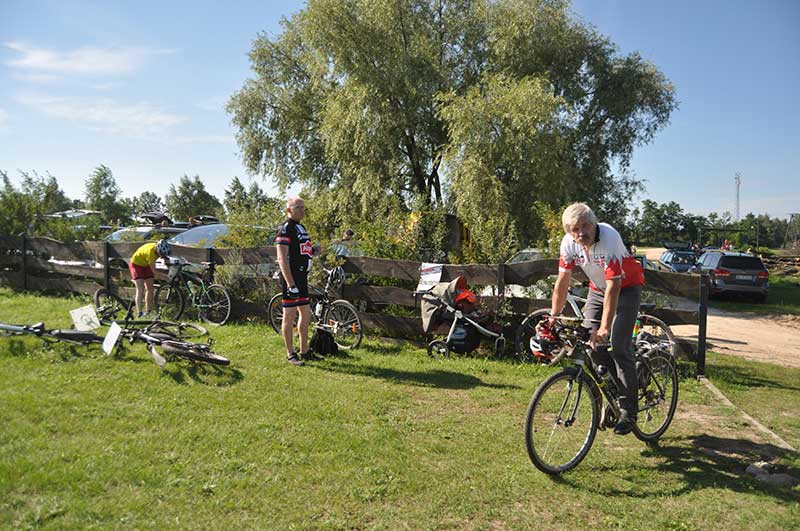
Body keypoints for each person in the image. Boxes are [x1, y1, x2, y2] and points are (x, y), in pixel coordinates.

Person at [542, 203, 645, 435]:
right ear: (569, 232)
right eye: (574, 229)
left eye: (585, 226)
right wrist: (554, 316)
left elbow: (614, 287)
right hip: (597, 290)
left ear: (594, 223)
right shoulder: (569, 243)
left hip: (626, 288)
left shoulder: (609, 237)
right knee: (590, 344)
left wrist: (605, 327)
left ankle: (629, 411)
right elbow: (562, 282)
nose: (581, 233)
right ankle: (617, 393)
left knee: (619, 346)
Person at [275, 196, 316, 366]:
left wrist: (313, 250)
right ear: (289, 210)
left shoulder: (301, 227)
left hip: (302, 277)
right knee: (289, 315)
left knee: (306, 314)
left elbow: (301, 250)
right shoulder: (285, 229)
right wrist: (290, 284)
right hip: (291, 278)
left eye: (303, 207)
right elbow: (282, 258)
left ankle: (304, 350)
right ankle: (290, 353)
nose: (302, 210)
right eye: (298, 207)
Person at [129, 239, 171, 317]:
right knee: (140, 288)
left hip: (146, 264)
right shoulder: (150, 252)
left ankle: (148, 311)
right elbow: (154, 272)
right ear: (157, 249)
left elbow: (165, 259)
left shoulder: (159, 249)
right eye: (160, 254)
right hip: (136, 265)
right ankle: (139, 313)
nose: (161, 256)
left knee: (150, 289)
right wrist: (166, 277)